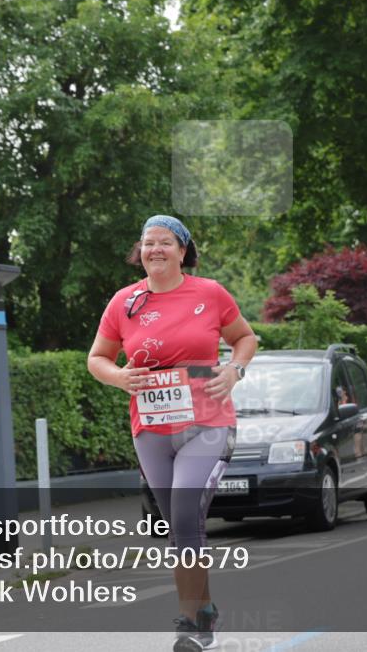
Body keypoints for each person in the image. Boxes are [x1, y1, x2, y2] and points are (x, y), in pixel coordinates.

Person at [87, 215, 256, 652]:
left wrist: (234, 370)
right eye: (148, 243)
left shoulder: (209, 293)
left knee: (184, 513)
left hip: (208, 422)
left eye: (165, 242)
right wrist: (118, 377)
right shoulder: (124, 302)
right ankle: (205, 613)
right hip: (151, 427)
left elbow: (245, 338)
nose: (155, 249)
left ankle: (190, 624)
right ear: (140, 251)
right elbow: (97, 358)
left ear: (183, 251)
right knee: (179, 527)